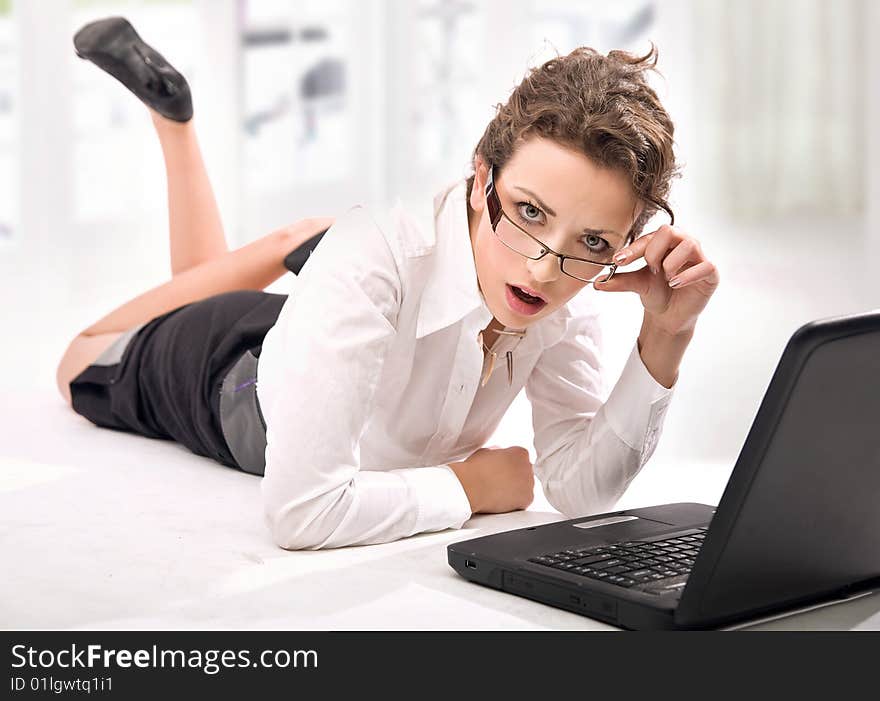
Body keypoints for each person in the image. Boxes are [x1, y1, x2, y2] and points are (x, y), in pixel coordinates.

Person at [57, 17, 719, 550]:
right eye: (529, 212)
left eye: (593, 243)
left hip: (325, 332)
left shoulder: (564, 295)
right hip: (240, 381)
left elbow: (579, 490)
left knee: (241, 284)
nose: (545, 269)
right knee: (81, 358)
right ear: (481, 176)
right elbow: (302, 512)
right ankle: (225, 175)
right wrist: (468, 486)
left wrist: (667, 332)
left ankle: (285, 232)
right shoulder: (376, 258)